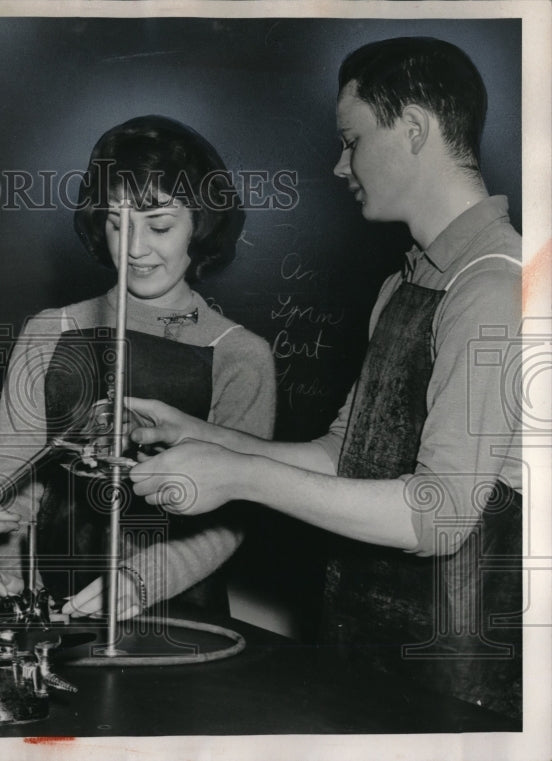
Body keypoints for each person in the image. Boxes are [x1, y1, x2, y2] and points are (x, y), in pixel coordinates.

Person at [127, 38, 522, 718]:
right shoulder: (403, 284)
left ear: (416, 129)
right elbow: (344, 457)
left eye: (352, 140)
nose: (341, 164)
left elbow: (440, 515)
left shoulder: (494, 284)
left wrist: (239, 478)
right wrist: (206, 439)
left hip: (459, 679)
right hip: (362, 650)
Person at [0, 115, 276, 619]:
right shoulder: (48, 331)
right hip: (51, 603)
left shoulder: (241, 355)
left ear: (201, 223)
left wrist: (141, 581)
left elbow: (235, 516)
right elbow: (13, 485)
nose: (135, 248)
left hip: (179, 610)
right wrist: (13, 580)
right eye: (117, 223)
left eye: (160, 225)